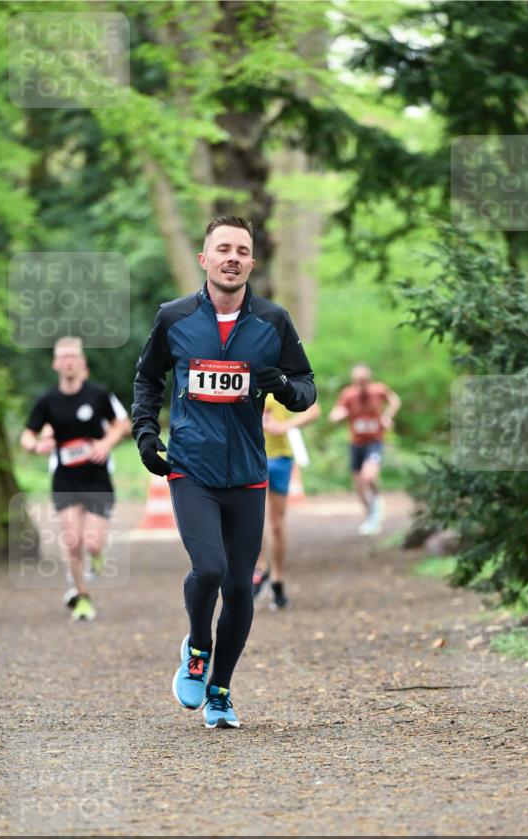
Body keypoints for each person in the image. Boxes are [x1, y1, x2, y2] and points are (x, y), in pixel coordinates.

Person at [132, 216, 316, 730]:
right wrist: (146, 434)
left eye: (242, 250)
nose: (232, 257)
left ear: (252, 262)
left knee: (238, 586)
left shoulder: (272, 322)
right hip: (192, 468)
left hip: (249, 473)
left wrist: (283, 384)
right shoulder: (175, 318)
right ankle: (197, 648)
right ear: (205, 259)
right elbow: (147, 378)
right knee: (208, 569)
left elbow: (306, 388)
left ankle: (220, 691)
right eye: (223, 249)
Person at [20, 337, 131, 621]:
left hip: (96, 478)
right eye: (64, 356)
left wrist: (105, 444)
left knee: (93, 543)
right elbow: (27, 435)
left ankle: (95, 558)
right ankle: (83, 597)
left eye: (74, 356)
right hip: (65, 479)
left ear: (82, 362)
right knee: (72, 540)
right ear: (56, 363)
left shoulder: (98, 394)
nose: (69, 361)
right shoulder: (47, 401)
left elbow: (123, 423)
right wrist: (36, 446)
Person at [252, 395, 321, 610]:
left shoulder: (280, 380)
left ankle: (277, 579)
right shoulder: (244, 373)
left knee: (276, 524)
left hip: (279, 458)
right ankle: (259, 571)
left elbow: (314, 409)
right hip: (251, 456)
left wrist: (286, 426)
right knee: (252, 521)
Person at [329, 364, 401, 535]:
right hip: (356, 444)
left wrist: (388, 416)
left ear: (369, 379)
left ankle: (377, 504)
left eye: (364, 380)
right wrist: (339, 415)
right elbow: (335, 414)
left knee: (369, 477)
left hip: (374, 442)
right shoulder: (348, 395)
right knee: (359, 486)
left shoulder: (379, 390)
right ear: (354, 381)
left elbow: (395, 400)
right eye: (358, 381)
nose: (361, 384)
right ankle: (371, 515)